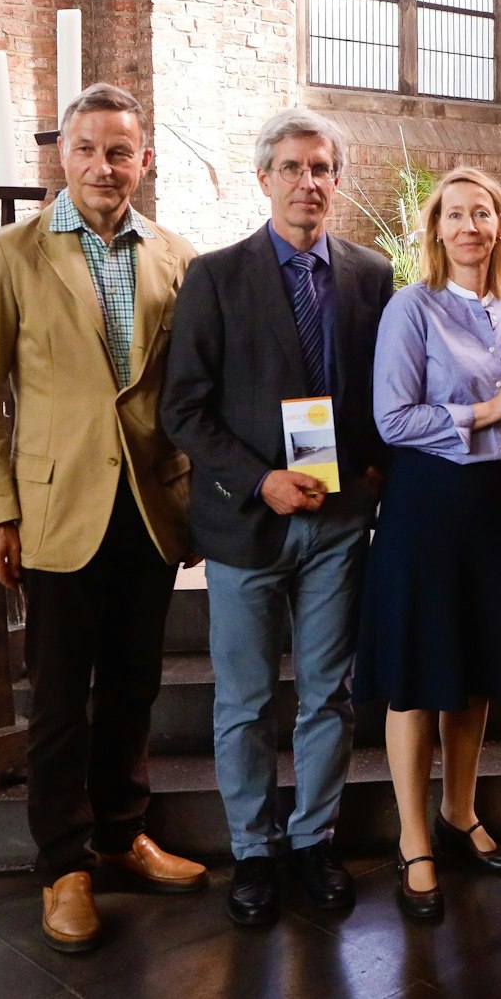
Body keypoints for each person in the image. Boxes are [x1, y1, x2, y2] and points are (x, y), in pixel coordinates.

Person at [0, 82, 205, 953]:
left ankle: (121, 832)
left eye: (121, 151)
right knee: (61, 696)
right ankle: (64, 864)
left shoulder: (176, 256)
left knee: (135, 684)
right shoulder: (12, 254)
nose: (105, 166)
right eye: (89, 149)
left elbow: (186, 390)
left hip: (150, 505)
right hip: (58, 507)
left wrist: (198, 498)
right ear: (64, 155)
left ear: (145, 160)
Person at [161, 108, 394, 926]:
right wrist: (261, 481)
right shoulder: (216, 276)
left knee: (329, 693)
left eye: (321, 167)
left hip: (338, 521)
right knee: (247, 699)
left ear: (337, 179)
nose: (308, 182)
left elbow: (385, 388)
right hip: (247, 521)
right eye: (292, 167)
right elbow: (183, 408)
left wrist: (373, 466)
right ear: (264, 178)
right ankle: (254, 849)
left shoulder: (370, 275)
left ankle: (313, 841)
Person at [357, 166, 501, 921]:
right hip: (425, 507)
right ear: (435, 229)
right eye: (455, 214)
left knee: (474, 670)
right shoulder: (412, 307)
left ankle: (459, 811)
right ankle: (413, 840)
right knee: (417, 674)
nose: (470, 226)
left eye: (484, 213)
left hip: (490, 510)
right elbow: (392, 418)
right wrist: (486, 411)